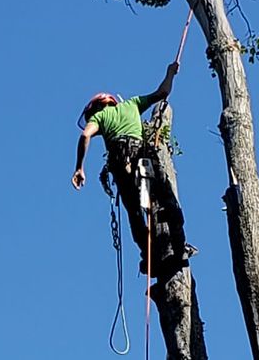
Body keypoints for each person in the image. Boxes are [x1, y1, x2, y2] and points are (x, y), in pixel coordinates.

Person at [71, 62, 191, 277]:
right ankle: (179, 246)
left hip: (122, 165)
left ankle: (150, 256)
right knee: (163, 198)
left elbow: (85, 135)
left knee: (136, 212)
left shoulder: (100, 117)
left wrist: (79, 168)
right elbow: (163, 92)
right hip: (142, 159)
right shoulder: (131, 104)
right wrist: (170, 73)